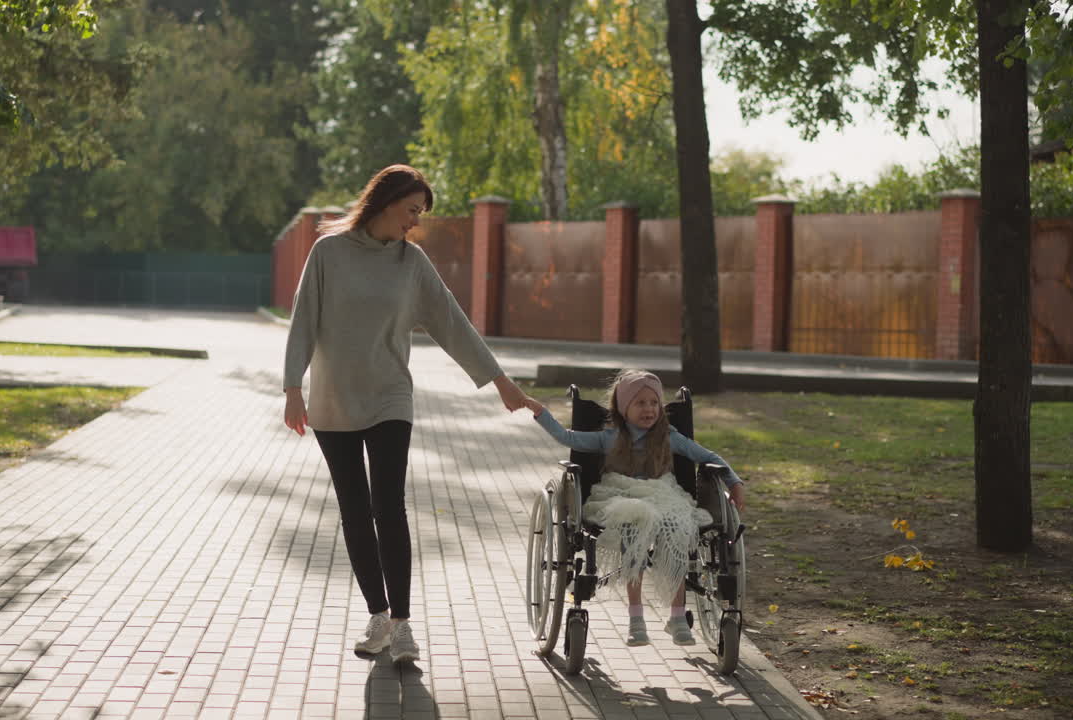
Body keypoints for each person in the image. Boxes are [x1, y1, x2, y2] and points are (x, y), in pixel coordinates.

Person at [282, 164, 528, 666]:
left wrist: (501, 382)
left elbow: (452, 323)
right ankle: (378, 616)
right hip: (332, 399)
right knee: (354, 509)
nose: (415, 222)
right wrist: (292, 388)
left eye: (420, 213)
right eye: (412, 210)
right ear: (386, 201)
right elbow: (304, 317)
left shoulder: (411, 263)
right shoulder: (328, 253)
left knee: (388, 504)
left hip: (391, 396)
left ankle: (403, 624)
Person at [522, 370, 745, 647]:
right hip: (619, 494)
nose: (649, 409)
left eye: (654, 403)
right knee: (635, 518)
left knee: (676, 524)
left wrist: (733, 482)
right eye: (640, 403)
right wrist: (538, 409)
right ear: (623, 407)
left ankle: (677, 617)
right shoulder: (609, 437)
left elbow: (708, 457)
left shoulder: (670, 437)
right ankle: (636, 618)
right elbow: (567, 438)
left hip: (662, 494)